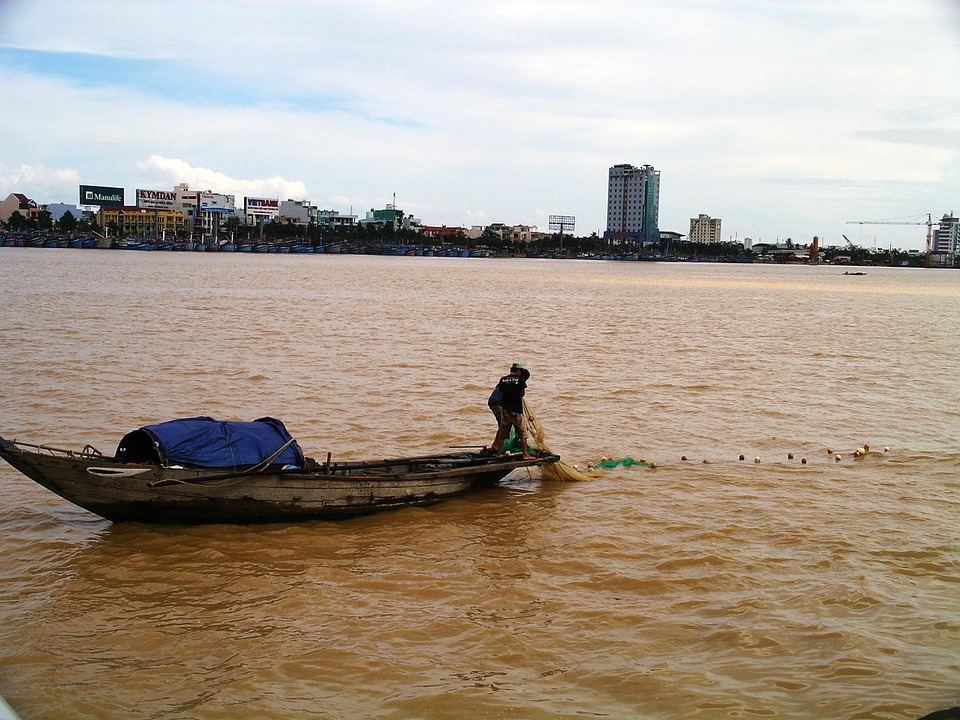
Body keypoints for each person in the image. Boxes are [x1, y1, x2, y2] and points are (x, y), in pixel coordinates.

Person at [492, 362, 534, 459]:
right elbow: (522, 394)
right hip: (516, 410)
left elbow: (502, 395)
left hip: (506, 409)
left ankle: (498, 454)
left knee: (503, 433)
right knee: (522, 433)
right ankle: (525, 454)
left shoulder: (502, 380)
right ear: (519, 371)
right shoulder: (520, 380)